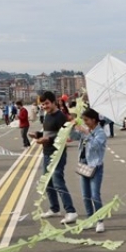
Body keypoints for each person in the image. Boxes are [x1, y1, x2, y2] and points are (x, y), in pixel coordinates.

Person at [32, 91, 78, 224]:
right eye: (42, 104)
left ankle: (71, 211)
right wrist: (37, 134)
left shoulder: (60, 116)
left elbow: (63, 136)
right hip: (46, 153)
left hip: (57, 153)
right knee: (47, 182)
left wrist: (47, 139)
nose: (44, 106)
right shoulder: (47, 115)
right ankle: (54, 208)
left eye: (46, 103)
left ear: (53, 102)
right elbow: (48, 132)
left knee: (58, 181)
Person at [74, 108, 107, 233]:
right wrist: (73, 127)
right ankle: (89, 219)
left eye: (87, 120)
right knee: (85, 195)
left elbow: (95, 146)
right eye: (83, 120)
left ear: (94, 120)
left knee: (95, 195)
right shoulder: (85, 130)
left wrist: (87, 133)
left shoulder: (100, 133)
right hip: (83, 164)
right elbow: (73, 137)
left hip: (95, 166)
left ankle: (99, 221)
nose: (85, 122)